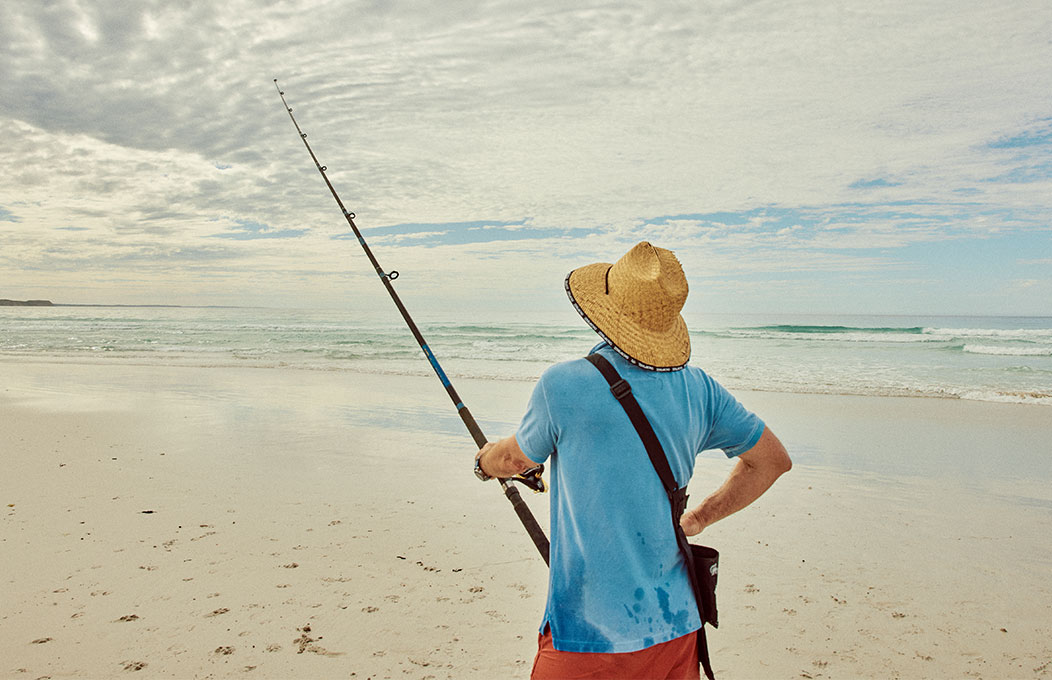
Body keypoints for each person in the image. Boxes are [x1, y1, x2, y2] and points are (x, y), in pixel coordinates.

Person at [474, 241, 792, 679]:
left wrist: (484, 461)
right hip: (678, 626)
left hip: (588, 633)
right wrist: (698, 518)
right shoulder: (701, 389)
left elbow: (514, 458)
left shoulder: (562, 384)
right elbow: (772, 461)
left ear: (604, 308)